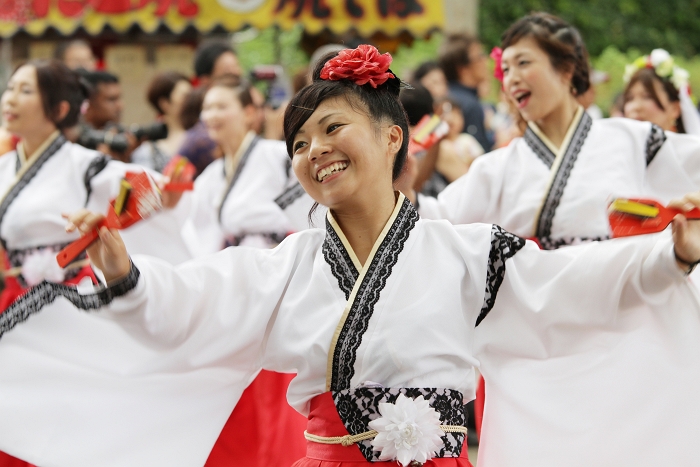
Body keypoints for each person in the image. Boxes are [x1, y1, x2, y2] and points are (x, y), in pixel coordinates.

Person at [51, 44, 700, 467]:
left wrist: (665, 255)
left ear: (393, 137)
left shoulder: (465, 250)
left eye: (333, 128)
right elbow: (193, 301)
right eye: (300, 142)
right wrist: (122, 269)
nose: (315, 150)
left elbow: (568, 283)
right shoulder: (288, 265)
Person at [410, 13, 700, 465]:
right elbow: (432, 222)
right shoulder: (498, 167)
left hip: (630, 312)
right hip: (542, 322)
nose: (512, 78)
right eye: (505, 69)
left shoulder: (631, 140)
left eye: (524, 63)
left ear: (567, 69)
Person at [0, 59, 190, 467]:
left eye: (24, 91)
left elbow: (164, 189)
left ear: (60, 109)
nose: (9, 99)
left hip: (59, 307)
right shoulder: (3, 166)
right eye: (10, 88)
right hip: (7, 303)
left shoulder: (84, 165)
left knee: (53, 418)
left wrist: (107, 221)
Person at [184, 76, 312, 467]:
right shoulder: (208, 177)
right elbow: (196, 236)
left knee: (277, 383)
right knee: (236, 385)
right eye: (207, 108)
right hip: (233, 284)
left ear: (251, 113)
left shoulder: (278, 156)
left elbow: (310, 207)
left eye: (222, 106)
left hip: (278, 275)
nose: (212, 115)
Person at [178, 41, 242, 177]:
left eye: (236, 66)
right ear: (205, 81)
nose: (236, 73)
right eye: (227, 71)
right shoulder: (203, 138)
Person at [623, 48, 700, 135]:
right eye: (629, 98)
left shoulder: (691, 148)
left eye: (647, 96)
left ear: (675, 108)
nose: (635, 107)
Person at [438, 34, 492, 152]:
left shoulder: (444, 97)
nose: (485, 60)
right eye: (480, 56)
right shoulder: (470, 105)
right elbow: (480, 157)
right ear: (462, 68)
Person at [131, 72, 192, 172]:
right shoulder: (148, 151)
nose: (192, 102)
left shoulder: (205, 136)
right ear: (165, 103)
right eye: (185, 97)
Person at [77, 70, 137, 162]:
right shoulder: (74, 141)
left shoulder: (120, 135)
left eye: (119, 98)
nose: (120, 106)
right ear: (88, 103)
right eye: (111, 99)